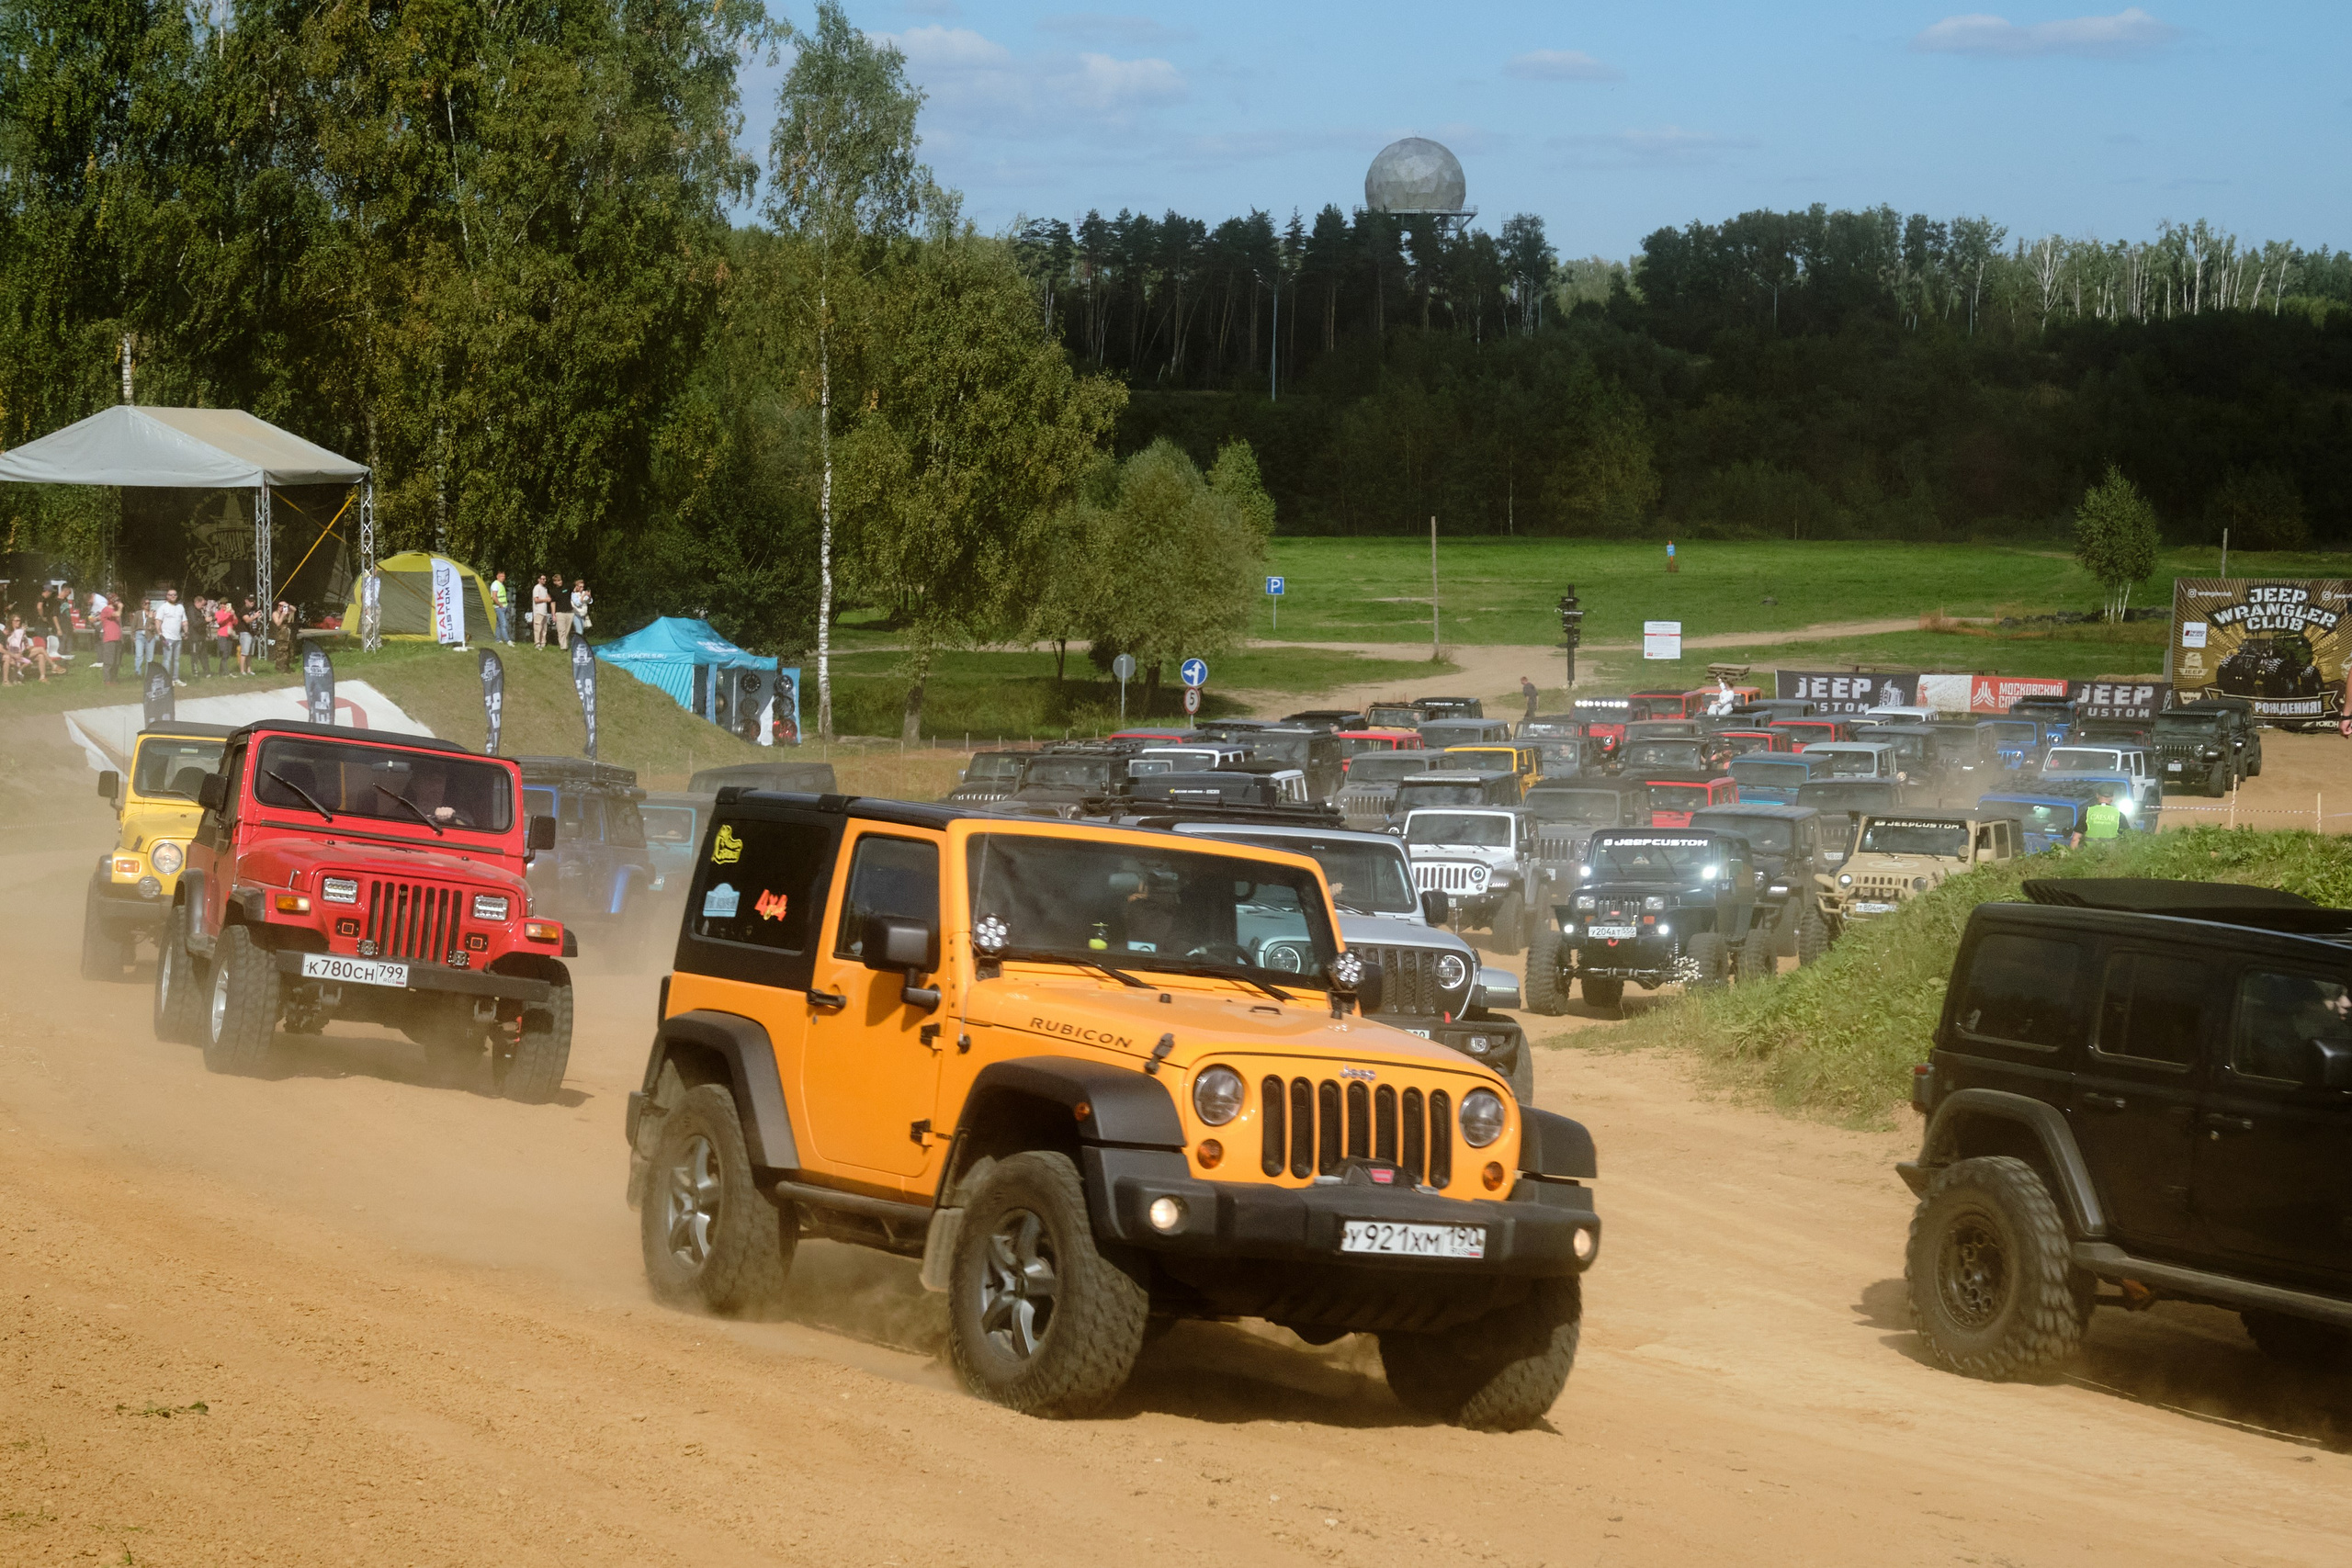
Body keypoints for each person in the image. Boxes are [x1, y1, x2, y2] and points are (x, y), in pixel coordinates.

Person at [154, 587, 187, 683]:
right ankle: (166, 679)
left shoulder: (180, 607)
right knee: (167, 659)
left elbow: (184, 621)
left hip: (178, 638)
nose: (173, 596)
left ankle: (175, 678)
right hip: (167, 637)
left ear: (177, 596)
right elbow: (158, 621)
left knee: (176, 660)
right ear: (167, 596)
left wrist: (186, 631)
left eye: (174, 595)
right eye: (170, 595)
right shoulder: (163, 607)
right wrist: (160, 633)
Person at [98, 594, 122, 683]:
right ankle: (107, 680)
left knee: (116, 662)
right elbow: (117, 614)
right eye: (116, 601)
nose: (118, 602)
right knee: (109, 661)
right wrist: (120, 608)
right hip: (109, 639)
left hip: (117, 639)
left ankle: (114, 679)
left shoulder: (115, 610)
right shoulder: (106, 610)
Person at [213, 596, 239, 676]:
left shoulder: (230, 613)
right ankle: (226, 672)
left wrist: (233, 614)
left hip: (229, 635)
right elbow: (220, 621)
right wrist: (226, 613)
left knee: (227, 654)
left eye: (226, 604)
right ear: (220, 605)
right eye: (222, 604)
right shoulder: (219, 613)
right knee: (224, 653)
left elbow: (235, 622)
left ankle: (221, 672)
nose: (224, 606)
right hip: (222, 635)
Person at [272, 599, 296, 671]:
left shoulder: (286, 612)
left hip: (287, 634)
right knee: (281, 652)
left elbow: (294, 610)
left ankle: (286, 668)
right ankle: (280, 668)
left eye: (283, 606)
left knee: (288, 651)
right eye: (280, 606)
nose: (282, 607)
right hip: (281, 635)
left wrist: (287, 605)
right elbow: (278, 624)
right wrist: (282, 615)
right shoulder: (275, 613)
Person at [550, 576, 572, 649]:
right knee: (561, 631)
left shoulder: (567, 587)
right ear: (555, 582)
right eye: (558, 581)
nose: (560, 582)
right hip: (559, 613)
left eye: (560, 580)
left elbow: (575, 590)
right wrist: (553, 615)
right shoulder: (553, 591)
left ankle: (566, 644)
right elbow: (553, 603)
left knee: (567, 631)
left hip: (569, 612)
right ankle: (563, 647)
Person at [491, 570, 512, 644]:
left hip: (503, 606)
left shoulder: (501, 584)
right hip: (499, 607)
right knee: (503, 624)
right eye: (501, 576)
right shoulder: (495, 584)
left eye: (504, 576)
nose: (503, 578)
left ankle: (498, 639)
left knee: (499, 623)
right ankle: (507, 640)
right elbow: (494, 596)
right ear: (497, 576)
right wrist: (500, 605)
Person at [237, 596, 257, 675]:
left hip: (252, 633)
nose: (252, 602)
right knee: (244, 652)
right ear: (246, 601)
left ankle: (249, 670)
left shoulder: (253, 609)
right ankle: (242, 670)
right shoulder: (244, 610)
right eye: (250, 601)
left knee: (249, 653)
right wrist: (255, 616)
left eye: (253, 601)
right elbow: (247, 620)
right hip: (245, 633)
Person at [531, 574, 551, 648]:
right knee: (538, 628)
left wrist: (548, 598)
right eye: (543, 579)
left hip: (544, 611)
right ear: (539, 579)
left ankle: (543, 643)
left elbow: (547, 597)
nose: (544, 580)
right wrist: (545, 600)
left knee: (544, 628)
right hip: (538, 610)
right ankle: (537, 643)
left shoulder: (545, 589)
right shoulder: (537, 588)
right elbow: (536, 600)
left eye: (545, 579)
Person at [570, 579, 592, 647]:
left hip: (583, 614)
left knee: (581, 630)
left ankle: (578, 644)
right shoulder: (573, 594)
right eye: (580, 586)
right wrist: (583, 596)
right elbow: (578, 603)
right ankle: (577, 645)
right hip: (576, 614)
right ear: (576, 586)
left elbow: (590, 601)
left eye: (583, 587)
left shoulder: (584, 593)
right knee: (579, 631)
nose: (582, 588)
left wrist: (589, 596)